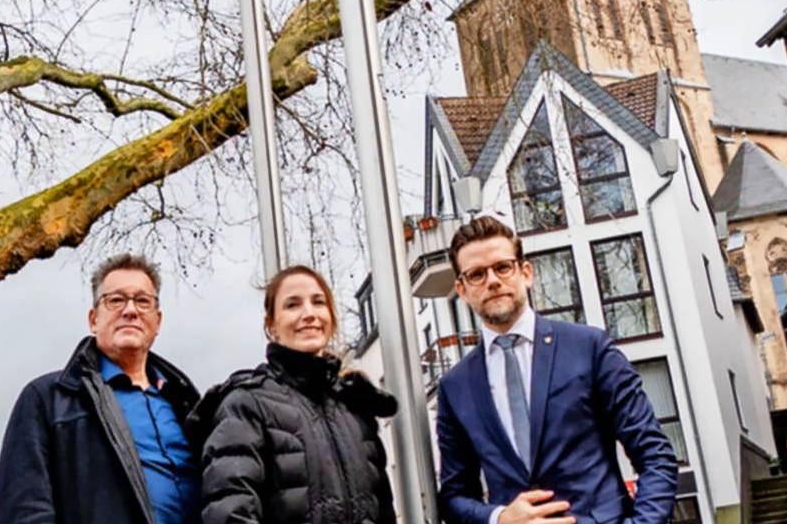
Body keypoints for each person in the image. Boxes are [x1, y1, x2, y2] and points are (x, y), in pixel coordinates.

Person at [434, 215, 679, 524]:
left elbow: (655, 456)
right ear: (462, 289)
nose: (493, 281)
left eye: (503, 267)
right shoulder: (456, 386)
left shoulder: (589, 348)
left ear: (526, 272)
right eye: (477, 274)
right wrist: (499, 518)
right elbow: (454, 496)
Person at [0, 253, 201, 524]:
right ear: (94, 319)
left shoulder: (187, 404)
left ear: (158, 321)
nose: (130, 311)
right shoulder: (48, 400)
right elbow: (24, 511)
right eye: (115, 300)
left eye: (143, 301)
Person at [191, 264, 397, 524]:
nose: (309, 314)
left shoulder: (355, 408)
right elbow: (231, 514)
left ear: (331, 318)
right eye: (293, 305)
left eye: (318, 302)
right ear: (271, 325)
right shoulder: (245, 405)